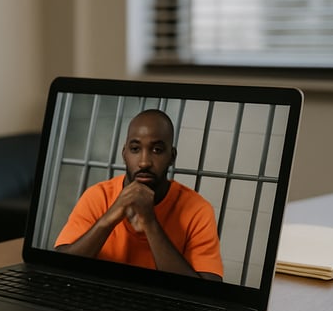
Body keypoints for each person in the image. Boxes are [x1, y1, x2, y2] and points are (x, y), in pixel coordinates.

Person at [54, 109, 223, 281]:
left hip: (161, 305)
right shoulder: (98, 196)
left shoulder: (198, 210)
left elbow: (210, 291)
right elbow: (58, 267)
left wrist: (150, 223)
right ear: (124, 154)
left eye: (157, 150)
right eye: (135, 149)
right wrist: (109, 218)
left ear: (171, 157)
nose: (144, 162)